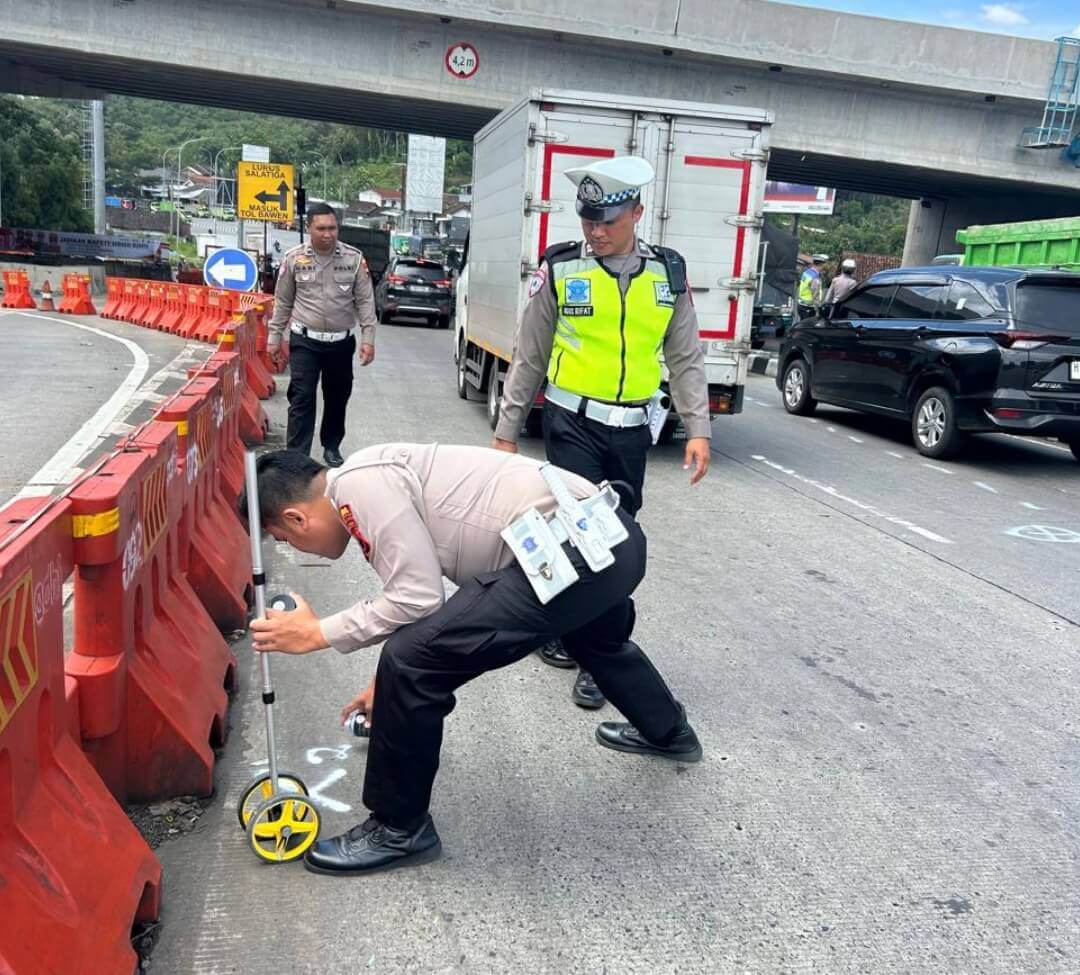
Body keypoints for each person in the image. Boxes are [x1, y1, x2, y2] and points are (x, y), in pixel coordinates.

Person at [245, 446, 702, 877]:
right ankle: (669, 731)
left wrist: (317, 633)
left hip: (570, 551)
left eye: (283, 539)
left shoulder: (360, 491)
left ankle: (399, 830)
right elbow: (423, 603)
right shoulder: (365, 475)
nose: (291, 547)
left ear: (295, 517)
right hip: (609, 540)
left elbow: (417, 600)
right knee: (593, 640)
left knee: (409, 662)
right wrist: (385, 685)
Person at [491, 155, 711, 711]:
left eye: (608, 221)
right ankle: (603, 654)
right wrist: (506, 431)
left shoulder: (668, 275)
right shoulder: (563, 269)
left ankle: (577, 633)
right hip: (572, 426)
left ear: (637, 213)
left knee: (617, 536)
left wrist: (698, 427)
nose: (596, 232)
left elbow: (685, 357)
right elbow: (530, 355)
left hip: (633, 431)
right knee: (593, 538)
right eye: (589, 220)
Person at [266, 203, 377, 468]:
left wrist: (368, 339)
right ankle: (296, 456)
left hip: (340, 343)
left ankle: (331, 445)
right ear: (309, 228)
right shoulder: (294, 259)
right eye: (322, 228)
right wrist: (274, 337)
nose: (328, 234)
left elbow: (365, 301)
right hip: (305, 341)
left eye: (332, 228)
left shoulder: (353, 259)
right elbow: (283, 301)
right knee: (302, 397)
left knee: (337, 397)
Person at [797, 254, 828, 319]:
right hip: (809, 307)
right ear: (821, 265)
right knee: (808, 327)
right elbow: (815, 294)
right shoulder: (815, 277)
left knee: (802, 325)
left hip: (801, 304)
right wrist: (817, 311)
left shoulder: (806, 272)